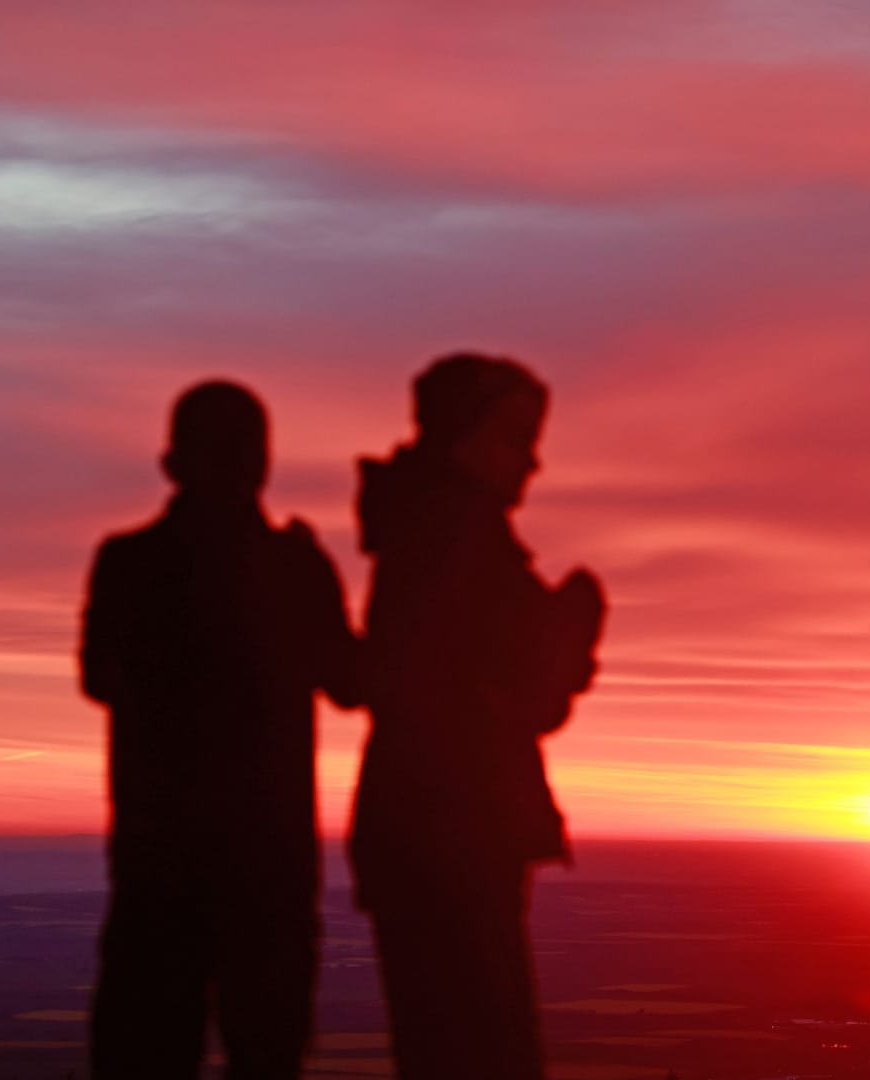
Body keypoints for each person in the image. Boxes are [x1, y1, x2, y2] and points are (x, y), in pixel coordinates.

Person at [79, 381, 361, 1080]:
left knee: (145, 1052)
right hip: (267, 869)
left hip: (158, 860)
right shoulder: (291, 568)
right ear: (260, 464)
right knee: (265, 1052)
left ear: (173, 463)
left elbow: (99, 679)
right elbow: (353, 682)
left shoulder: (129, 563)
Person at [350, 353, 606, 1080]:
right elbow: (523, 697)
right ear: (468, 438)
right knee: (482, 1051)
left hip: (423, 836)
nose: (533, 463)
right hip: (458, 841)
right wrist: (574, 626)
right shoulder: (460, 544)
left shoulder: (426, 536)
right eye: (517, 437)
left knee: (445, 1046)